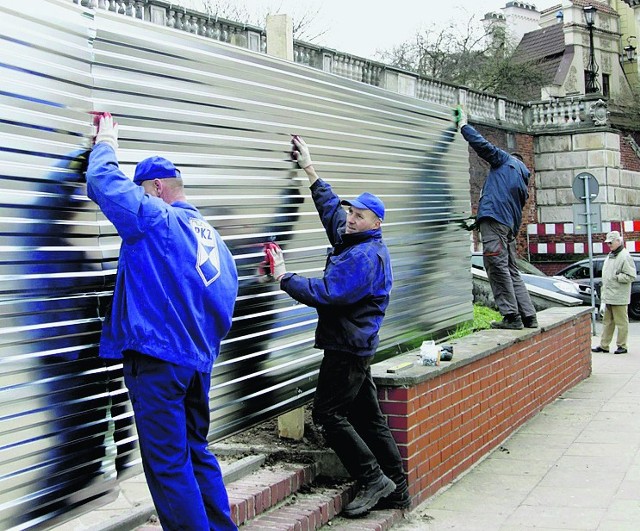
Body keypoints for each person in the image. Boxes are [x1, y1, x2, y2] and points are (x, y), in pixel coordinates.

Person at [86, 113, 239, 530]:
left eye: (143, 191)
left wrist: (107, 143)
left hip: (158, 362)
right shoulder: (211, 237)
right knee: (195, 450)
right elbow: (226, 302)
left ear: (155, 188)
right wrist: (197, 345)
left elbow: (104, 184)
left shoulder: (157, 219)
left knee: (168, 466)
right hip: (195, 365)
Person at [265, 135, 409, 518]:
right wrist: (309, 168)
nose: (350, 218)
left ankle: (374, 478)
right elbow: (331, 209)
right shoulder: (353, 238)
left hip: (347, 348)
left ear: (375, 223)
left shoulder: (364, 256)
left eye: (359, 216)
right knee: (370, 419)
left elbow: (328, 292)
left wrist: (283, 277)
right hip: (356, 346)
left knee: (327, 414)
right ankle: (398, 488)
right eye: (351, 213)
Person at [456, 105, 537, 330]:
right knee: (512, 270)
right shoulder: (522, 182)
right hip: (507, 228)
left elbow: (483, 146)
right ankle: (529, 316)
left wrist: (464, 125)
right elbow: (514, 213)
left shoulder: (505, 161)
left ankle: (511, 316)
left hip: (495, 225)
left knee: (496, 266)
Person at [592, 231, 637, 355]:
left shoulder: (624, 256)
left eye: (611, 242)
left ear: (618, 241)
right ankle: (604, 345)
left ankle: (622, 345)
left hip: (619, 295)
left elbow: (631, 276)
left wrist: (617, 277)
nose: (609, 245)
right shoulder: (611, 255)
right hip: (609, 294)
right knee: (607, 321)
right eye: (608, 243)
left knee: (621, 322)